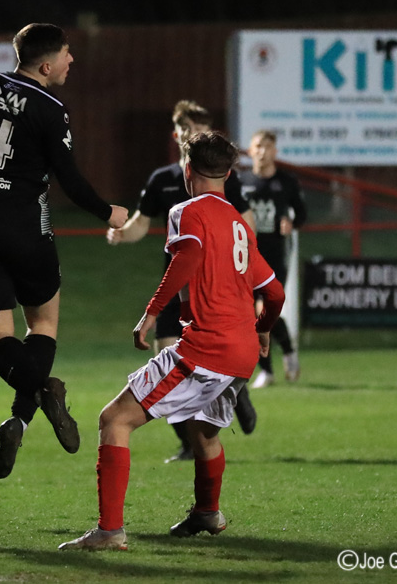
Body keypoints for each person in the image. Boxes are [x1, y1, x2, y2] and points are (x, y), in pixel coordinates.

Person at [59, 131, 285, 551]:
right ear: (230, 174)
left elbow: (188, 258)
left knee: (114, 420)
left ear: (187, 171)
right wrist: (265, 328)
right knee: (204, 431)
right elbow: (274, 293)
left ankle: (109, 531)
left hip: (206, 347)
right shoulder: (240, 223)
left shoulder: (185, 210)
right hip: (242, 352)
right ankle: (207, 513)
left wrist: (149, 314)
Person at [0, 23, 129, 480]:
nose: (72, 61)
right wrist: (107, 211)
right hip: (26, 227)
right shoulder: (52, 108)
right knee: (44, 323)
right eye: (68, 55)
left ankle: (24, 410)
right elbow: (69, 180)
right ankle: (35, 400)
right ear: (47, 64)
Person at [106, 100, 258, 462]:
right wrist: (121, 234)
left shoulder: (221, 177)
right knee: (169, 359)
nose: (196, 135)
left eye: (202, 129)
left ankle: (232, 396)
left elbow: (246, 225)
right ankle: (192, 443)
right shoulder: (164, 180)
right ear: (177, 134)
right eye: (190, 129)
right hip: (177, 286)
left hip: (212, 289)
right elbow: (142, 223)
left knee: (195, 360)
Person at [238, 129, 307, 387]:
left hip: (276, 255)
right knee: (251, 315)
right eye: (258, 146)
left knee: (263, 311)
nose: (262, 151)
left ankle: (273, 365)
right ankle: (276, 361)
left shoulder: (286, 182)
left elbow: (301, 213)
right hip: (245, 257)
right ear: (251, 150)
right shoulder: (241, 181)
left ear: (275, 151)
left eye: (268, 146)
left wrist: (291, 223)